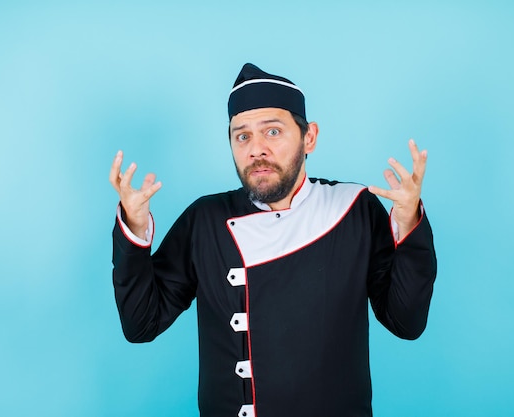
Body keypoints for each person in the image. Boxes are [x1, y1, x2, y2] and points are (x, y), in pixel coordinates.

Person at [109, 63, 437, 417]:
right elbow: (141, 324)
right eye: (243, 136)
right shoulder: (204, 220)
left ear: (309, 136)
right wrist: (135, 227)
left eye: (273, 131)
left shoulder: (355, 208)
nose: (256, 149)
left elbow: (407, 322)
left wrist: (408, 222)